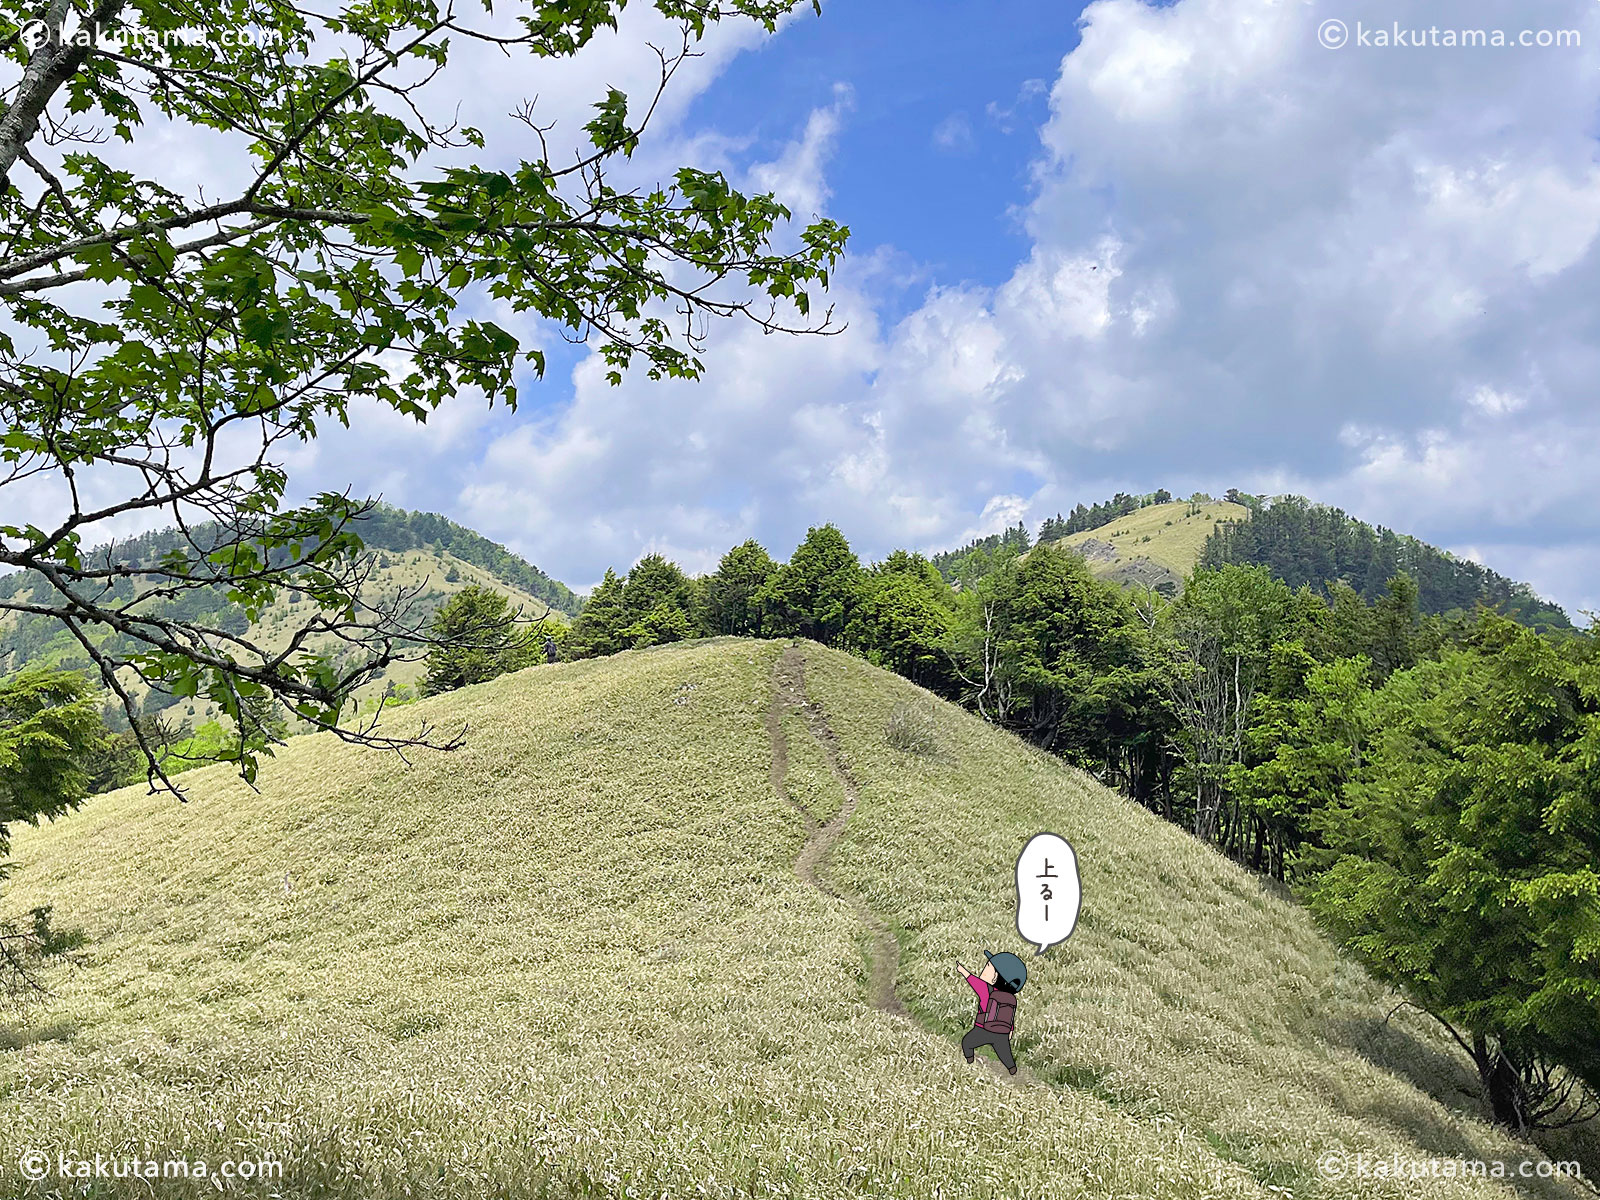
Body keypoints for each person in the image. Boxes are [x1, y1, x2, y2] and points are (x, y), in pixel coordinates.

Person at [953, 950, 1027, 1074]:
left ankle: (970, 1063)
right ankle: (1012, 1069)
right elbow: (1009, 1016)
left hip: (983, 1029)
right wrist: (1011, 1030)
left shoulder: (986, 989)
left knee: (967, 1043)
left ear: (995, 977)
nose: (984, 968)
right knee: (1005, 1054)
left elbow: (972, 980)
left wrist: (962, 970)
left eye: (988, 966)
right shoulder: (1011, 998)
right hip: (1002, 1033)